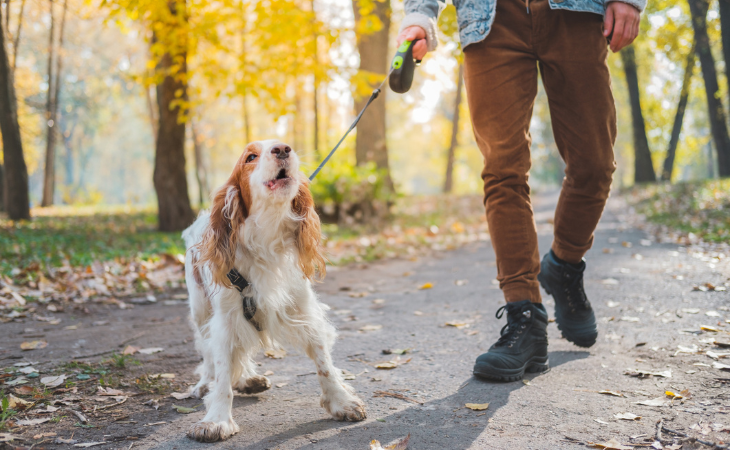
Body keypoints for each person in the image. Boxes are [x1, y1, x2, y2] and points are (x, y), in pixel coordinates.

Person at [397, 0, 644, 381]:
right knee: (502, 171)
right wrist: (420, 14)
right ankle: (524, 316)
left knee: (594, 164)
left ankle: (564, 265)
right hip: (490, 21)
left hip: (574, 13)